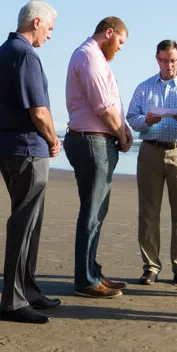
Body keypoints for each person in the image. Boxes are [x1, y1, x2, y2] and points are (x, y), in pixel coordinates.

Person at [0, 0, 63, 325]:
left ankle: (28, 290)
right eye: (49, 28)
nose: (50, 35)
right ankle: (14, 301)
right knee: (23, 223)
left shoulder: (5, 51)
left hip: (10, 145)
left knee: (29, 222)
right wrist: (52, 138)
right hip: (26, 149)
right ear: (36, 22)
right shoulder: (24, 55)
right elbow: (39, 111)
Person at [64, 16, 133, 299]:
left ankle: (92, 271)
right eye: (120, 42)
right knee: (92, 212)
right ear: (109, 33)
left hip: (96, 141)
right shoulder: (89, 56)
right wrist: (123, 134)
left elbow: (110, 105)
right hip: (91, 141)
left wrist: (122, 129)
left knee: (96, 210)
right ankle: (86, 280)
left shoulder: (94, 57)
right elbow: (102, 107)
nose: (120, 48)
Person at [126, 39, 177, 286]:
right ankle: (151, 267)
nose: (169, 65)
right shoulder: (144, 88)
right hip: (150, 151)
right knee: (148, 211)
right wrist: (146, 120)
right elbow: (131, 119)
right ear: (157, 59)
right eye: (165, 60)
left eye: (174, 60)